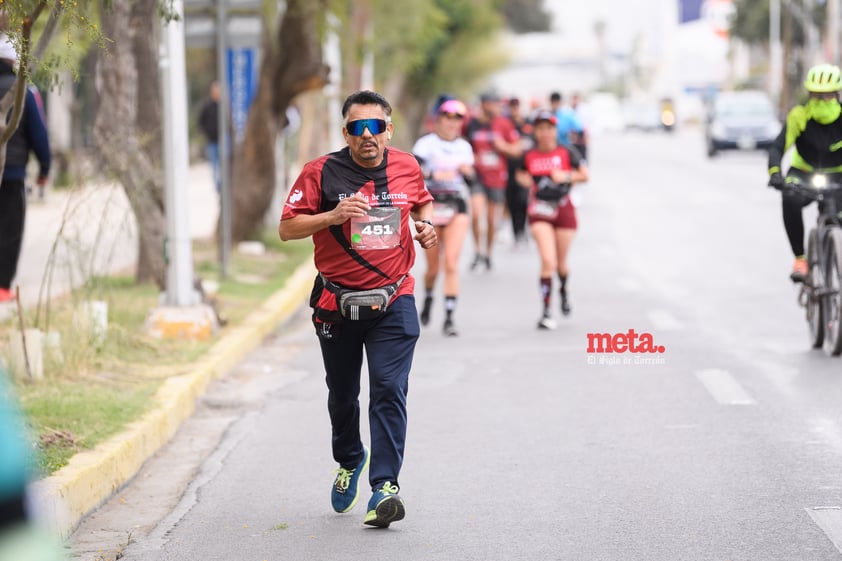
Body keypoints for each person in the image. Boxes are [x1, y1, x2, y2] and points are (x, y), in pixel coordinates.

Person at [278, 90, 436, 528]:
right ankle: (350, 459)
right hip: (336, 302)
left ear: (389, 129)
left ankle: (385, 487)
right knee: (343, 395)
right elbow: (287, 228)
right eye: (357, 128)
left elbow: (420, 200)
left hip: (394, 298)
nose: (367, 135)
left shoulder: (406, 165)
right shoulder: (321, 172)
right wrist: (332, 216)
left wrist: (425, 225)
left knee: (388, 388)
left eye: (375, 127)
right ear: (345, 132)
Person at [768, 63, 842, 282]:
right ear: (809, 94)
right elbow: (777, 147)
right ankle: (800, 258)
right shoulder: (799, 116)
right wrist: (775, 174)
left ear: (837, 95)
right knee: (789, 199)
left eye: (827, 96)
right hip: (804, 173)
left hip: (838, 175)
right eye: (816, 95)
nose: (821, 100)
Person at [515, 109, 588, 329]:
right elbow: (519, 173)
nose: (545, 133)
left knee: (561, 265)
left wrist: (565, 176)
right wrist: (526, 180)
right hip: (540, 211)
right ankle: (546, 311)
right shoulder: (529, 155)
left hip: (564, 210)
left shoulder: (567, 152)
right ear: (535, 132)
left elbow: (585, 174)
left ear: (555, 131)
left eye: (549, 128)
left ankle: (564, 289)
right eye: (541, 129)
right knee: (548, 260)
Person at [412, 99, 475, 336]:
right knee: (433, 268)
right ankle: (428, 297)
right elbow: (414, 173)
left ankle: (449, 317)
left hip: (456, 207)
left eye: (457, 119)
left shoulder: (465, 148)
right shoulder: (425, 145)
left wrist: (467, 173)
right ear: (438, 120)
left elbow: (471, 180)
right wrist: (432, 172)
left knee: (451, 262)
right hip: (431, 208)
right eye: (447, 118)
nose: (452, 123)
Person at [0, 36, 50, 304]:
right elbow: (39, 134)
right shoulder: (24, 91)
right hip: (13, 173)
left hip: (11, 170)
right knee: (10, 230)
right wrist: (44, 168)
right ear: (13, 60)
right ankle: (3, 288)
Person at [465, 90, 521, 271]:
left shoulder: (504, 124)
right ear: (483, 104)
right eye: (491, 104)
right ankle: (477, 250)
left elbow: (517, 149)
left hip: (497, 177)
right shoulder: (472, 124)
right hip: (478, 175)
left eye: (496, 104)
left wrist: (503, 146)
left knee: (490, 220)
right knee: (475, 213)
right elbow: (463, 144)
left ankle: (488, 252)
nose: (495, 107)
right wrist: (471, 156)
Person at [505, 97, 534, 246]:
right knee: (512, 203)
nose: (515, 109)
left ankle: (522, 230)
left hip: (525, 170)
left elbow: (533, 144)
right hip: (508, 170)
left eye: (517, 106)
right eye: (512, 106)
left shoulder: (528, 125)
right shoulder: (505, 125)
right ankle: (516, 232)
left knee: (523, 201)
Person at [198, 80, 221, 193]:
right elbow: (201, 122)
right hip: (212, 142)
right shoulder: (207, 106)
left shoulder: (224, 106)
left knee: (223, 167)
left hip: (223, 142)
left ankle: (222, 186)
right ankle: (218, 187)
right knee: (214, 167)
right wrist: (206, 132)